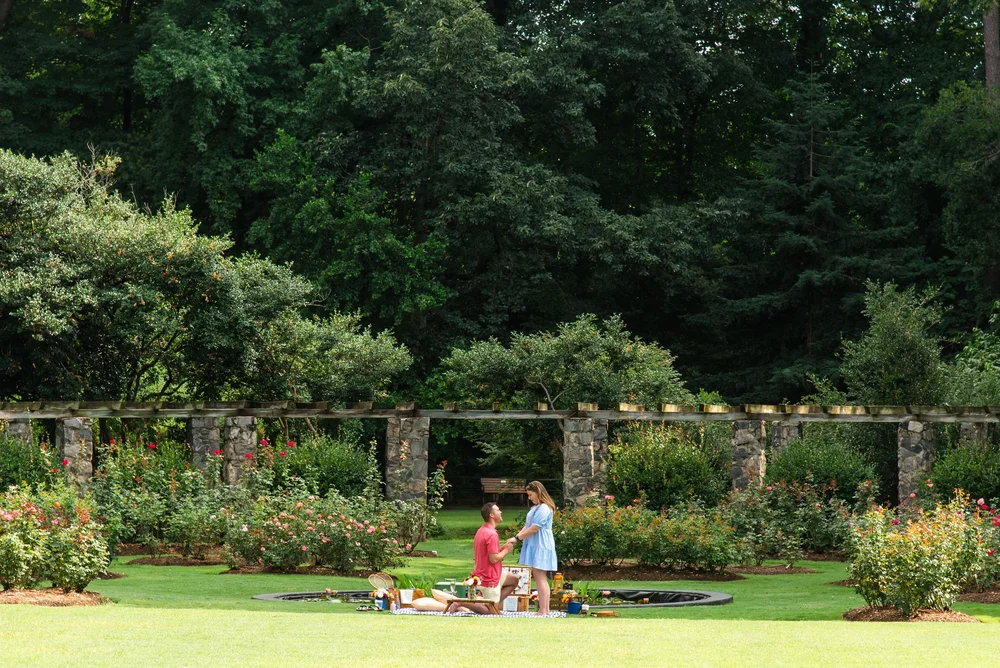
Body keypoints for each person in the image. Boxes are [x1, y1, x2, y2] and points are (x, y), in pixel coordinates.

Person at [445, 502, 519, 614]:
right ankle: (462, 602)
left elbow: (488, 554)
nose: (501, 512)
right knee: (491, 613)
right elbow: (493, 559)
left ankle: (493, 603)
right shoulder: (491, 534)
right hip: (489, 577)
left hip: (484, 573)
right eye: (498, 510)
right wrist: (506, 550)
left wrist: (502, 549)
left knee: (514, 580)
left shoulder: (482, 530)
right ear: (492, 515)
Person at [507, 480, 557, 615]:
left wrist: (517, 538)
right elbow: (527, 526)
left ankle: (544, 610)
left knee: (540, 576)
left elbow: (534, 528)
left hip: (541, 544)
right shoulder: (536, 508)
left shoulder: (544, 508)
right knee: (539, 576)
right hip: (534, 544)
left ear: (538, 493)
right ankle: (544, 609)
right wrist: (516, 538)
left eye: (530, 495)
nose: (529, 498)